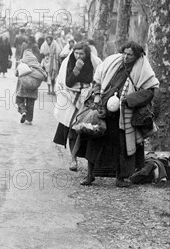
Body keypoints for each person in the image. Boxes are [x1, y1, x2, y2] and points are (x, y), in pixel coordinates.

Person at [80, 41, 159, 187]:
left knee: (122, 146)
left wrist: (128, 100)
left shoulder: (143, 69)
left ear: (137, 56)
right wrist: (97, 96)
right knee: (94, 141)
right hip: (104, 109)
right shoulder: (112, 62)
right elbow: (97, 81)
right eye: (125, 53)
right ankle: (90, 175)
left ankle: (121, 178)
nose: (126, 57)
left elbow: (150, 91)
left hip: (125, 114)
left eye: (130, 55)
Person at [52, 42, 102, 171]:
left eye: (81, 53)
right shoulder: (69, 62)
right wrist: (76, 70)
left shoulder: (94, 62)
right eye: (76, 53)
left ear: (87, 54)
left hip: (88, 97)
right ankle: (73, 159)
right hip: (70, 97)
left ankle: (92, 162)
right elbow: (65, 82)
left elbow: (98, 79)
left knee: (90, 127)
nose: (78, 56)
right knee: (72, 129)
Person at [15, 49, 47, 125]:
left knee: (19, 100)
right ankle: (29, 120)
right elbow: (44, 75)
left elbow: (16, 74)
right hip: (33, 88)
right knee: (30, 104)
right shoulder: (37, 64)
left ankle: (23, 111)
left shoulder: (22, 63)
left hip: (22, 88)